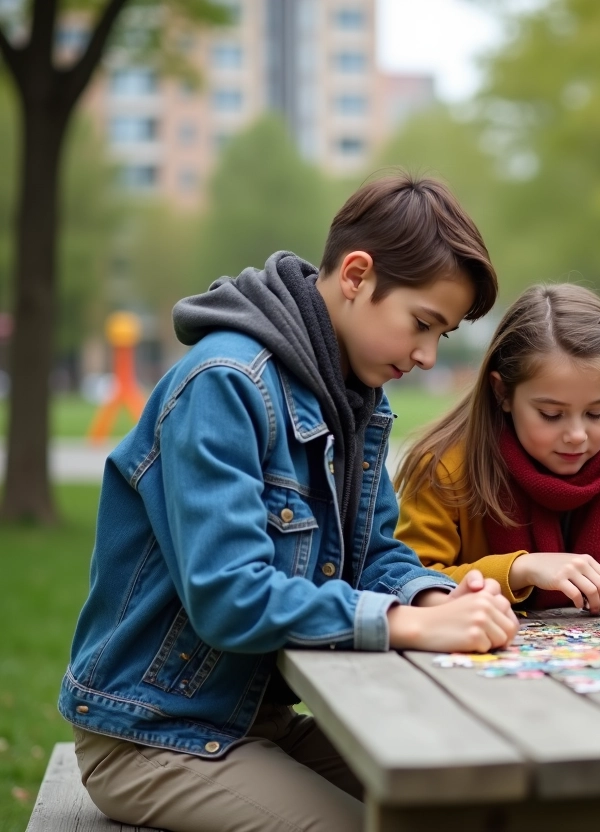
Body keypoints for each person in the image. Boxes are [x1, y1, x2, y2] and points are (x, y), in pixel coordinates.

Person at [59, 174, 520, 832]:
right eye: (422, 324)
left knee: (463, 800)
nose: (425, 355)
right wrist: (403, 625)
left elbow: (375, 552)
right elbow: (227, 594)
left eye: (441, 336)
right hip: (151, 735)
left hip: (256, 718)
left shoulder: (351, 396)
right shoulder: (226, 385)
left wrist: (430, 598)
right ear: (357, 276)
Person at [395, 283, 600, 611]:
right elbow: (408, 580)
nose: (576, 434)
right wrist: (521, 569)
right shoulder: (444, 465)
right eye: (551, 414)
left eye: (596, 412)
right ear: (502, 392)